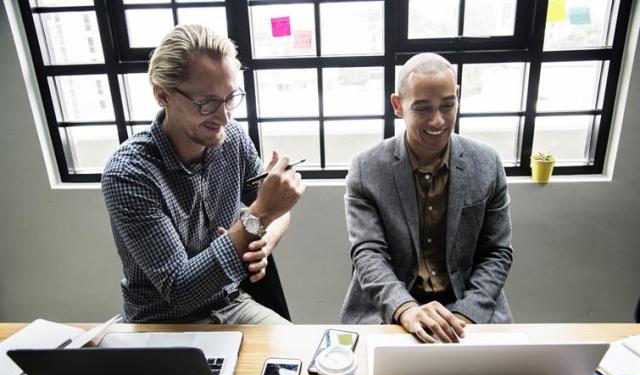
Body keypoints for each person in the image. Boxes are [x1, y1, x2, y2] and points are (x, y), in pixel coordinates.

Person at [102, 24, 305, 323]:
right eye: (207, 102)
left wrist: (263, 243)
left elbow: (274, 211)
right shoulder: (129, 174)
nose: (223, 117)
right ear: (163, 95)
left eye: (230, 98)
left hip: (231, 302)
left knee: (298, 356)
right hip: (162, 321)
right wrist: (259, 216)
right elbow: (180, 290)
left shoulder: (232, 138)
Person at [340, 53, 513, 343]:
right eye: (423, 108)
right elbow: (368, 254)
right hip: (393, 307)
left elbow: (497, 252)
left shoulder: (488, 163)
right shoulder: (365, 169)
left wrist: (462, 316)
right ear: (398, 105)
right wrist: (405, 308)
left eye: (448, 105)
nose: (438, 120)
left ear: (458, 96)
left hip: (468, 304)